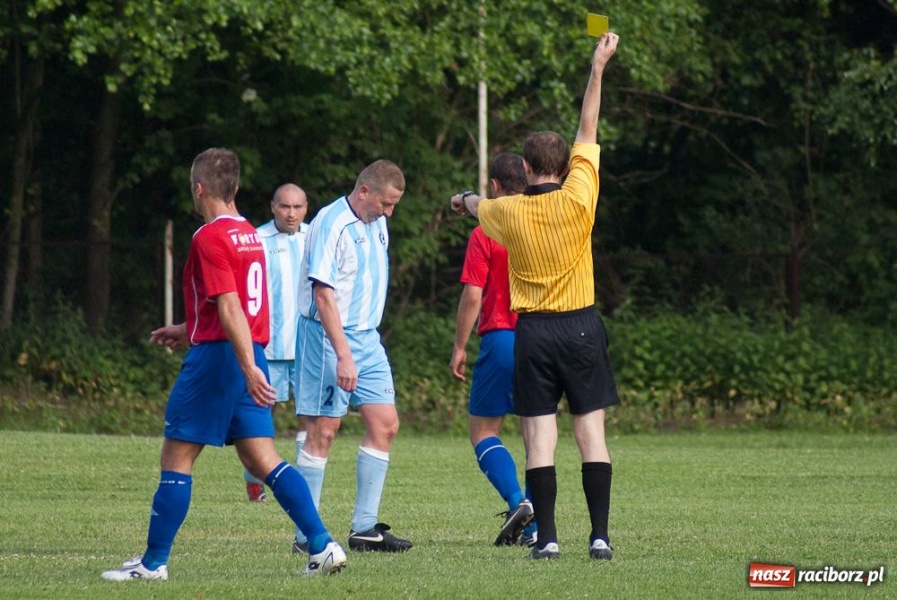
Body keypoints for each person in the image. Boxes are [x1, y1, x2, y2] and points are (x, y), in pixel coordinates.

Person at [101, 148, 346, 581]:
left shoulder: (208, 235)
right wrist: (190, 326)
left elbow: (231, 303)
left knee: (177, 454)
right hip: (247, 352)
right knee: (264, 458)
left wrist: (245, 364)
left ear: (199, 188)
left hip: (223, 359)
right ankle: (323, 545)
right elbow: (240, 304)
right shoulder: (250, 233)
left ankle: (153, 564)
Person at [450, 33, 621, 561]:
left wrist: (461, 199)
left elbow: (476, 201)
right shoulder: (580, 195)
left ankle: (547, 539)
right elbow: (588, 125)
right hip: (583, 326)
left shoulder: (508, 212)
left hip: (535, 333)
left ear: (523, 170)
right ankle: (599, 536)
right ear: (567, 164)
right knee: (591, 436)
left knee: (538, 441)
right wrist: (597, 67)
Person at [291, 159, 413, 554]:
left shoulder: (377, 222)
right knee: (323, 431)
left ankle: (364, 529)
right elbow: (323, 295)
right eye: (386, 203)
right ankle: (306, 534)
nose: (389, 213)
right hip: (328, 338)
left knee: (386, 424)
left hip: (368, 339)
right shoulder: (331, 223)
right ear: (364, 192)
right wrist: (344, 356)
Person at [449, 153, 538, 547]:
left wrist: (459, 346)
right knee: (537, 432)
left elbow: (473, 295)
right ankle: (538, 528)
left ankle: (519, 501)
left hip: (503, 336)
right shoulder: (545, 223)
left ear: (496, 186)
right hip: (543, 335)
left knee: (483, 430)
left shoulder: (485, 232)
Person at [243, 183, 310, 503]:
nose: (291, 213)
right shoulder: (256, 240)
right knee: (260, 415)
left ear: (306, 208)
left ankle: (305, 481)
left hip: (306, 346)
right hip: (268, 346)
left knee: (308, 414)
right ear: (273, 207)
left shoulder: (314, 237)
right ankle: (254, 480)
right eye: (285, 207)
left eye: (297, 207)